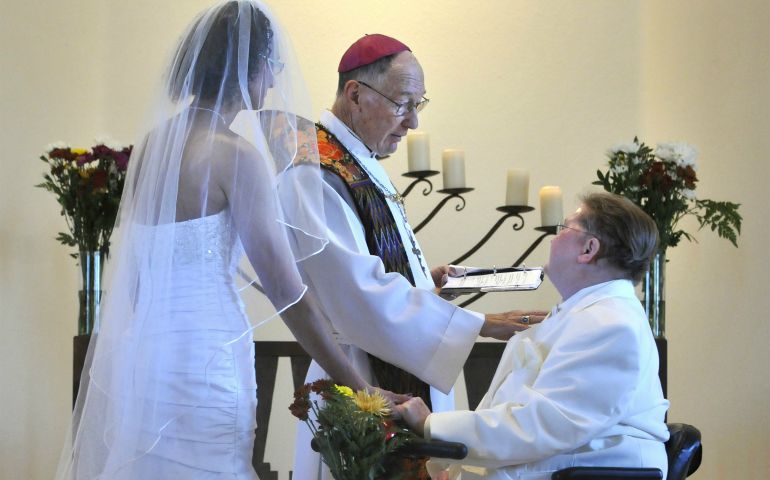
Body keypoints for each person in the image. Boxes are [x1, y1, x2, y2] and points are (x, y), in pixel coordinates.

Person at [54, 2, 379, 479]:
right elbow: (288, 295)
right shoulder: (237, 155)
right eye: (272, 66)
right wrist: (357, 386)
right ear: (249, 65)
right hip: (208, 362)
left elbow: (140, 274)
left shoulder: (152, 150)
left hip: (143, 364)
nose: (272, 82)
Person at [292, 33, 547, 478]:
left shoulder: (359, 164)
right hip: (361, 381)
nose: (412, 123)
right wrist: (483, 323)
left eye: (418, 104)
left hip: (395, 362)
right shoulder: (318, 172)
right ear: (355, 95)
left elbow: (370, 276)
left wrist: (423, 285)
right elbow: (358, 297)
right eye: (402, 103)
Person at [395, 192, 671, 480]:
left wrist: (432, 426)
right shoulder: (587, 314)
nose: (553, 238)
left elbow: (544, 424)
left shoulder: (612, 324)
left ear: (589, 248)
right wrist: (455, 467)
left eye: (563, 228)